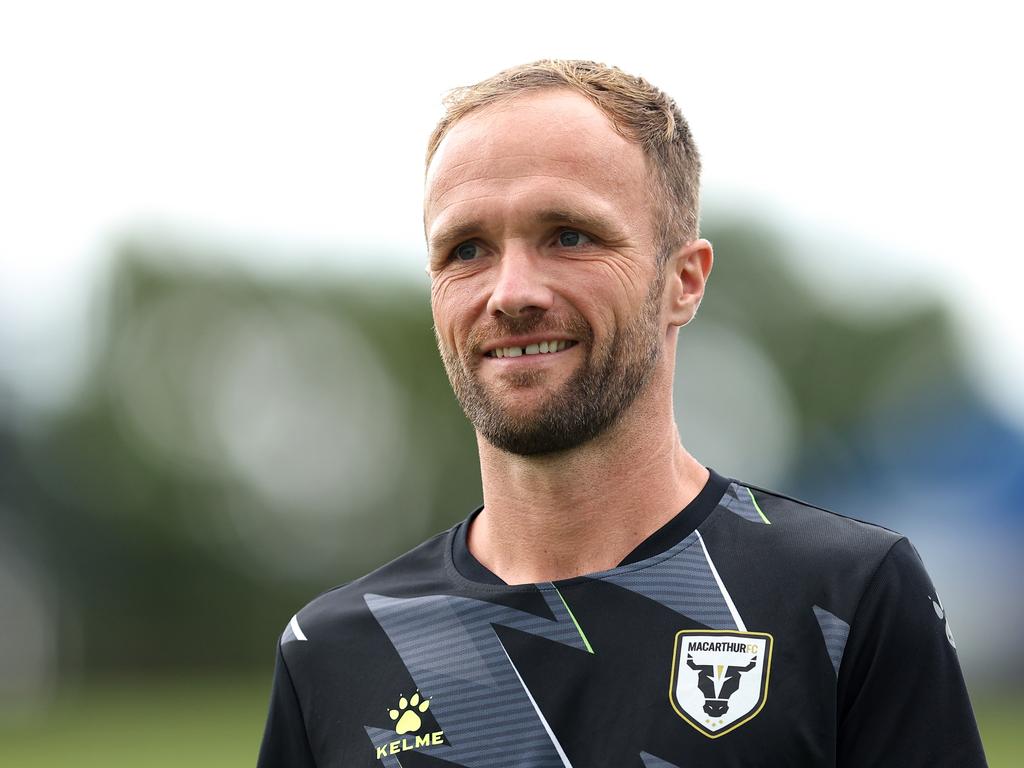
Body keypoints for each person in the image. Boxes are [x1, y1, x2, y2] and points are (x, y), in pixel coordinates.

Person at [257, 60, 987, 767]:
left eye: (569, 236)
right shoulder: (334, 653)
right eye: (466, 249)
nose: (510, 292)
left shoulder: (846, 598)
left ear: (684, 281)